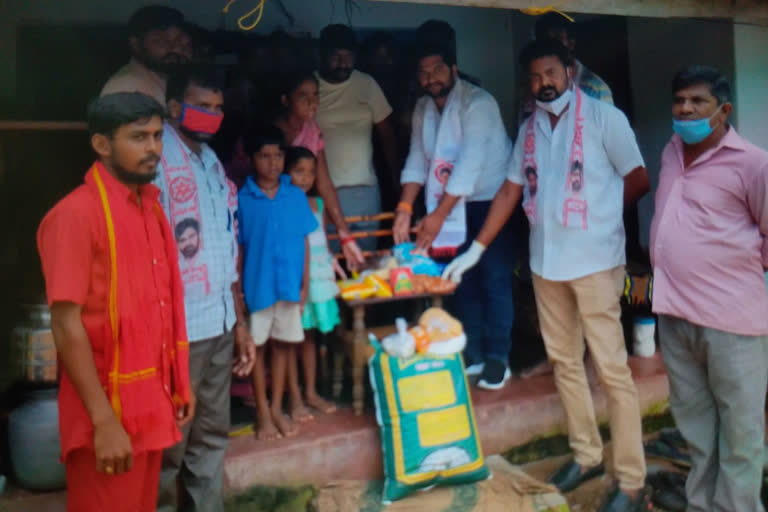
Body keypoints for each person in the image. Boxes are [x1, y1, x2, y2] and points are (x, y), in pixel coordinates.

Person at [443, 39, 651, 511]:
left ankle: (632, 482)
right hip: (545, 263)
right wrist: (476, 249)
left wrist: (603, 220)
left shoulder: (604, 119)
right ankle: (586, 455)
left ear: (570, 71)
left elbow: (638, 178)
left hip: (596, 263)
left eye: (550, 73)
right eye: (535, 77)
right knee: (565, 363)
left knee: (614, 371)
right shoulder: (530, 128)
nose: (543, 84)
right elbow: (510, 190)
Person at [36, 93, 193, 512]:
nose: (153, 148)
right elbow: (66, 326)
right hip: (105, 415)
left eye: (158, 136)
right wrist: (104, 423)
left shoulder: (151, 208)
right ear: (102, 145)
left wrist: (179, 383)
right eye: (138, 137)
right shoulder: (75, 216)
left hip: (150, 403)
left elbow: (160, 306)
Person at [651, 66, 768, 512]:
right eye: (679, 101)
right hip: (676, 316)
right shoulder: (671, 152)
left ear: (724, 110)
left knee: (739, 435)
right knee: (697, 431)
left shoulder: (754, 164)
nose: (685, 109)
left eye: (697, 101)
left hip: (732, 322)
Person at [155, 69, 255, 512]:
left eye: (218, 108)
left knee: (211, 437)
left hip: (218, 321)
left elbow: (227, 251)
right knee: (168, 443)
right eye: (203, 106)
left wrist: (240, 324)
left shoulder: (213, 164)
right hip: (178, 328)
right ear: (175, 108)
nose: (212, 116)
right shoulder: (155, 160)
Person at [393, 39, 515, 391]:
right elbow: (418, 159)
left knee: (493, 279)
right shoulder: (423, 109)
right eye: (424, 73)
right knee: (460, 281)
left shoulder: (478, 103)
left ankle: (498, 358)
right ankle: (472, 352)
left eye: (437, 70)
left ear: (454, 70)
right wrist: (405, 207)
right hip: (450, 205)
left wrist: (437, 217)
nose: (430, 78)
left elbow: (468, 166)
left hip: (490, 201)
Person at [238, 126, 318, 440]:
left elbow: (305, 241)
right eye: (265, 156)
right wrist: (239, 292)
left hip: (288, 285)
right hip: (257, 286)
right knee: (256, 349)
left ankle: (275, 407)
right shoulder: (242, 199)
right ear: (252, 158)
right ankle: (261, 411)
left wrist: (304, 285)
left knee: (284, 346)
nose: (273, 162)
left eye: (279, 155)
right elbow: (240, 249)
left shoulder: (295, 195)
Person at [315, 24, 398, 251]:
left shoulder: (367, 84)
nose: (343, 63)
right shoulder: (309, 88)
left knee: (364, 263)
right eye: (336, 56)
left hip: (365, 191)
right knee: (328, 268)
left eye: (348, 56)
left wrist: (395, 181)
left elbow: (387, 137)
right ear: (321, 54)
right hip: (321, 192)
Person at [272, 70, 364, 267]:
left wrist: (344, 234)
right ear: (285, 100)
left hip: (304, 213)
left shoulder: (312, 130)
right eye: (303, 96)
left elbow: (324, 182)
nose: (311, 102)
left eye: (315, 95)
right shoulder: (272, 134)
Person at [284, 146, 342, 419]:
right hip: (296, 278)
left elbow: (324, 241)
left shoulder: (318, 204)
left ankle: (309, 392)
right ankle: (294, 395)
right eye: (299, 171)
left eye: (310, 172)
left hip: (318, 279)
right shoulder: (284, 202)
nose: (306, 178)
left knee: (309, 337)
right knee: (289, 339)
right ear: (287, 172)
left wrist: (332, 265)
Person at [101, 6, 192, 105]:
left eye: (180, 40)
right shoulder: (127, 88)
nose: (176, 49)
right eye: (161, 41)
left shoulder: (167, 79)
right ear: (135, 44)